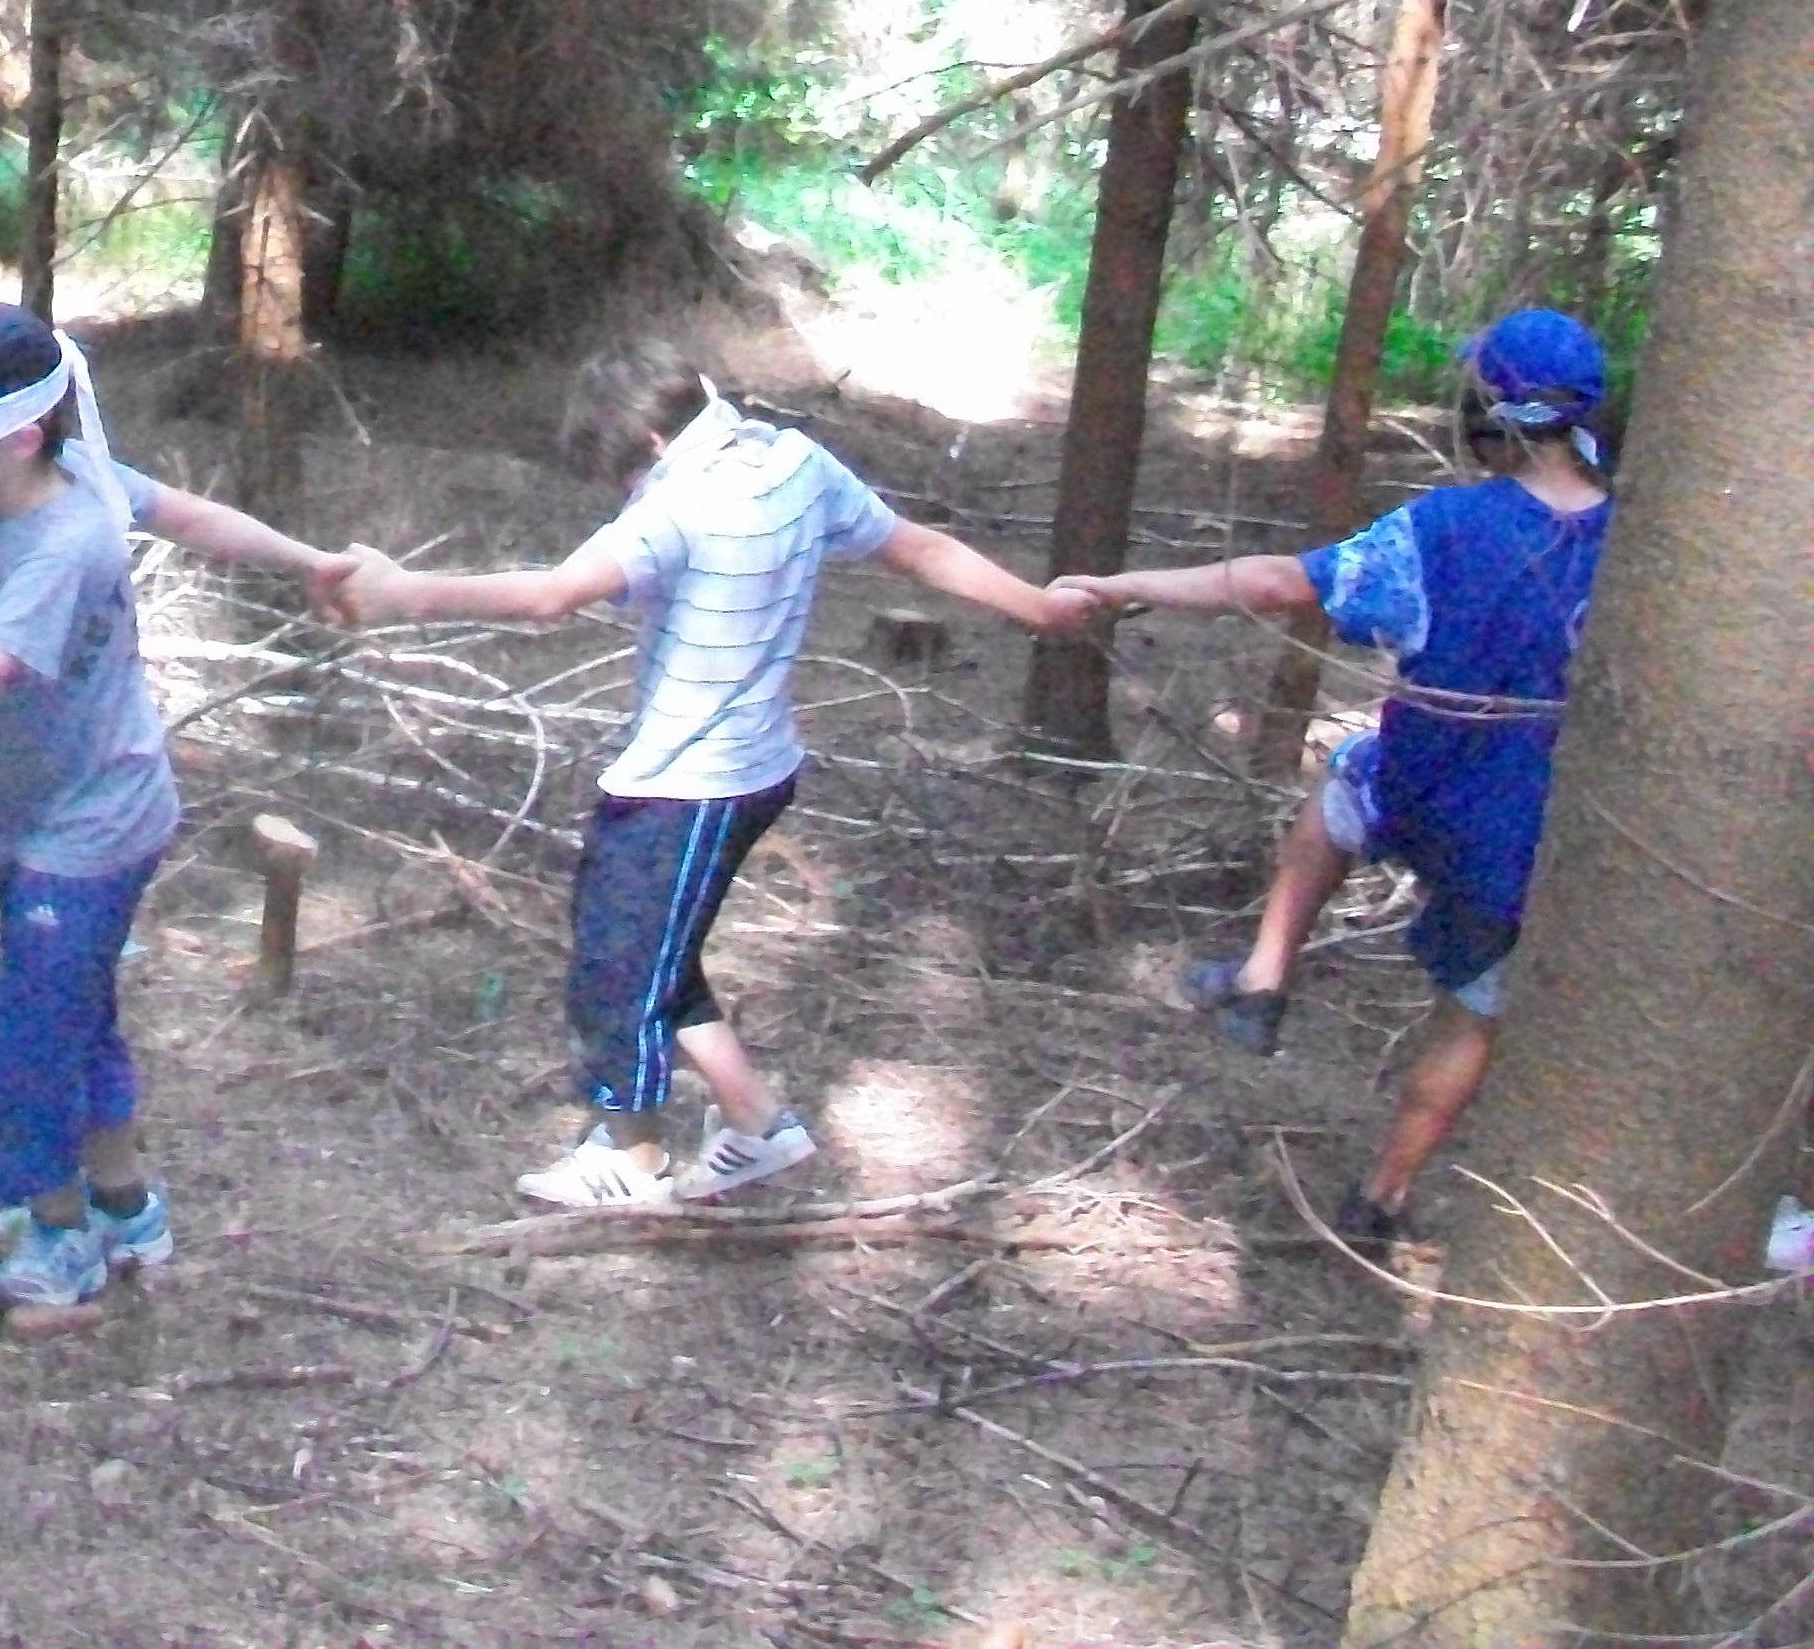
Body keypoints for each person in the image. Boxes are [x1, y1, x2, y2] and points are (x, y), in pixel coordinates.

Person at [324, 349, 1082, 1211]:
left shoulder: (677, 507)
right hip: (751, 770)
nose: (626, 490)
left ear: (653, 440)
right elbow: (918, 549)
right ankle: (757, 1125)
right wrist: (1038, 606)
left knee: (616, 971)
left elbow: (551, 596)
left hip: (688, 786)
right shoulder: (796, 463)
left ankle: (629, 1154)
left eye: (625, 471)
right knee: (658, 956)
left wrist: (406, 592)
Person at [1051, 308, 1614, 1256]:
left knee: (1342, 790)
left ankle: (1265, 976)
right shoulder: (1644, 551)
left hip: (1423, 789)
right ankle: (1380, 1197)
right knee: (1475, 1011)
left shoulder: (1444, 528)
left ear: (1487, 413)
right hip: (1539, 838)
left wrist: (1125, 585)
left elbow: (1279, 584)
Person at [0, 300, 340, 1312]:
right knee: (78, 1018)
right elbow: (191, 517)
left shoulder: (59, 545)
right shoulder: (73, 473)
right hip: (61, 811)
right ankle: (125, 1206)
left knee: (23, 1052)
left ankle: (57, 1235)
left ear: (19, 436)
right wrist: (311, 562)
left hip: (84, 834)